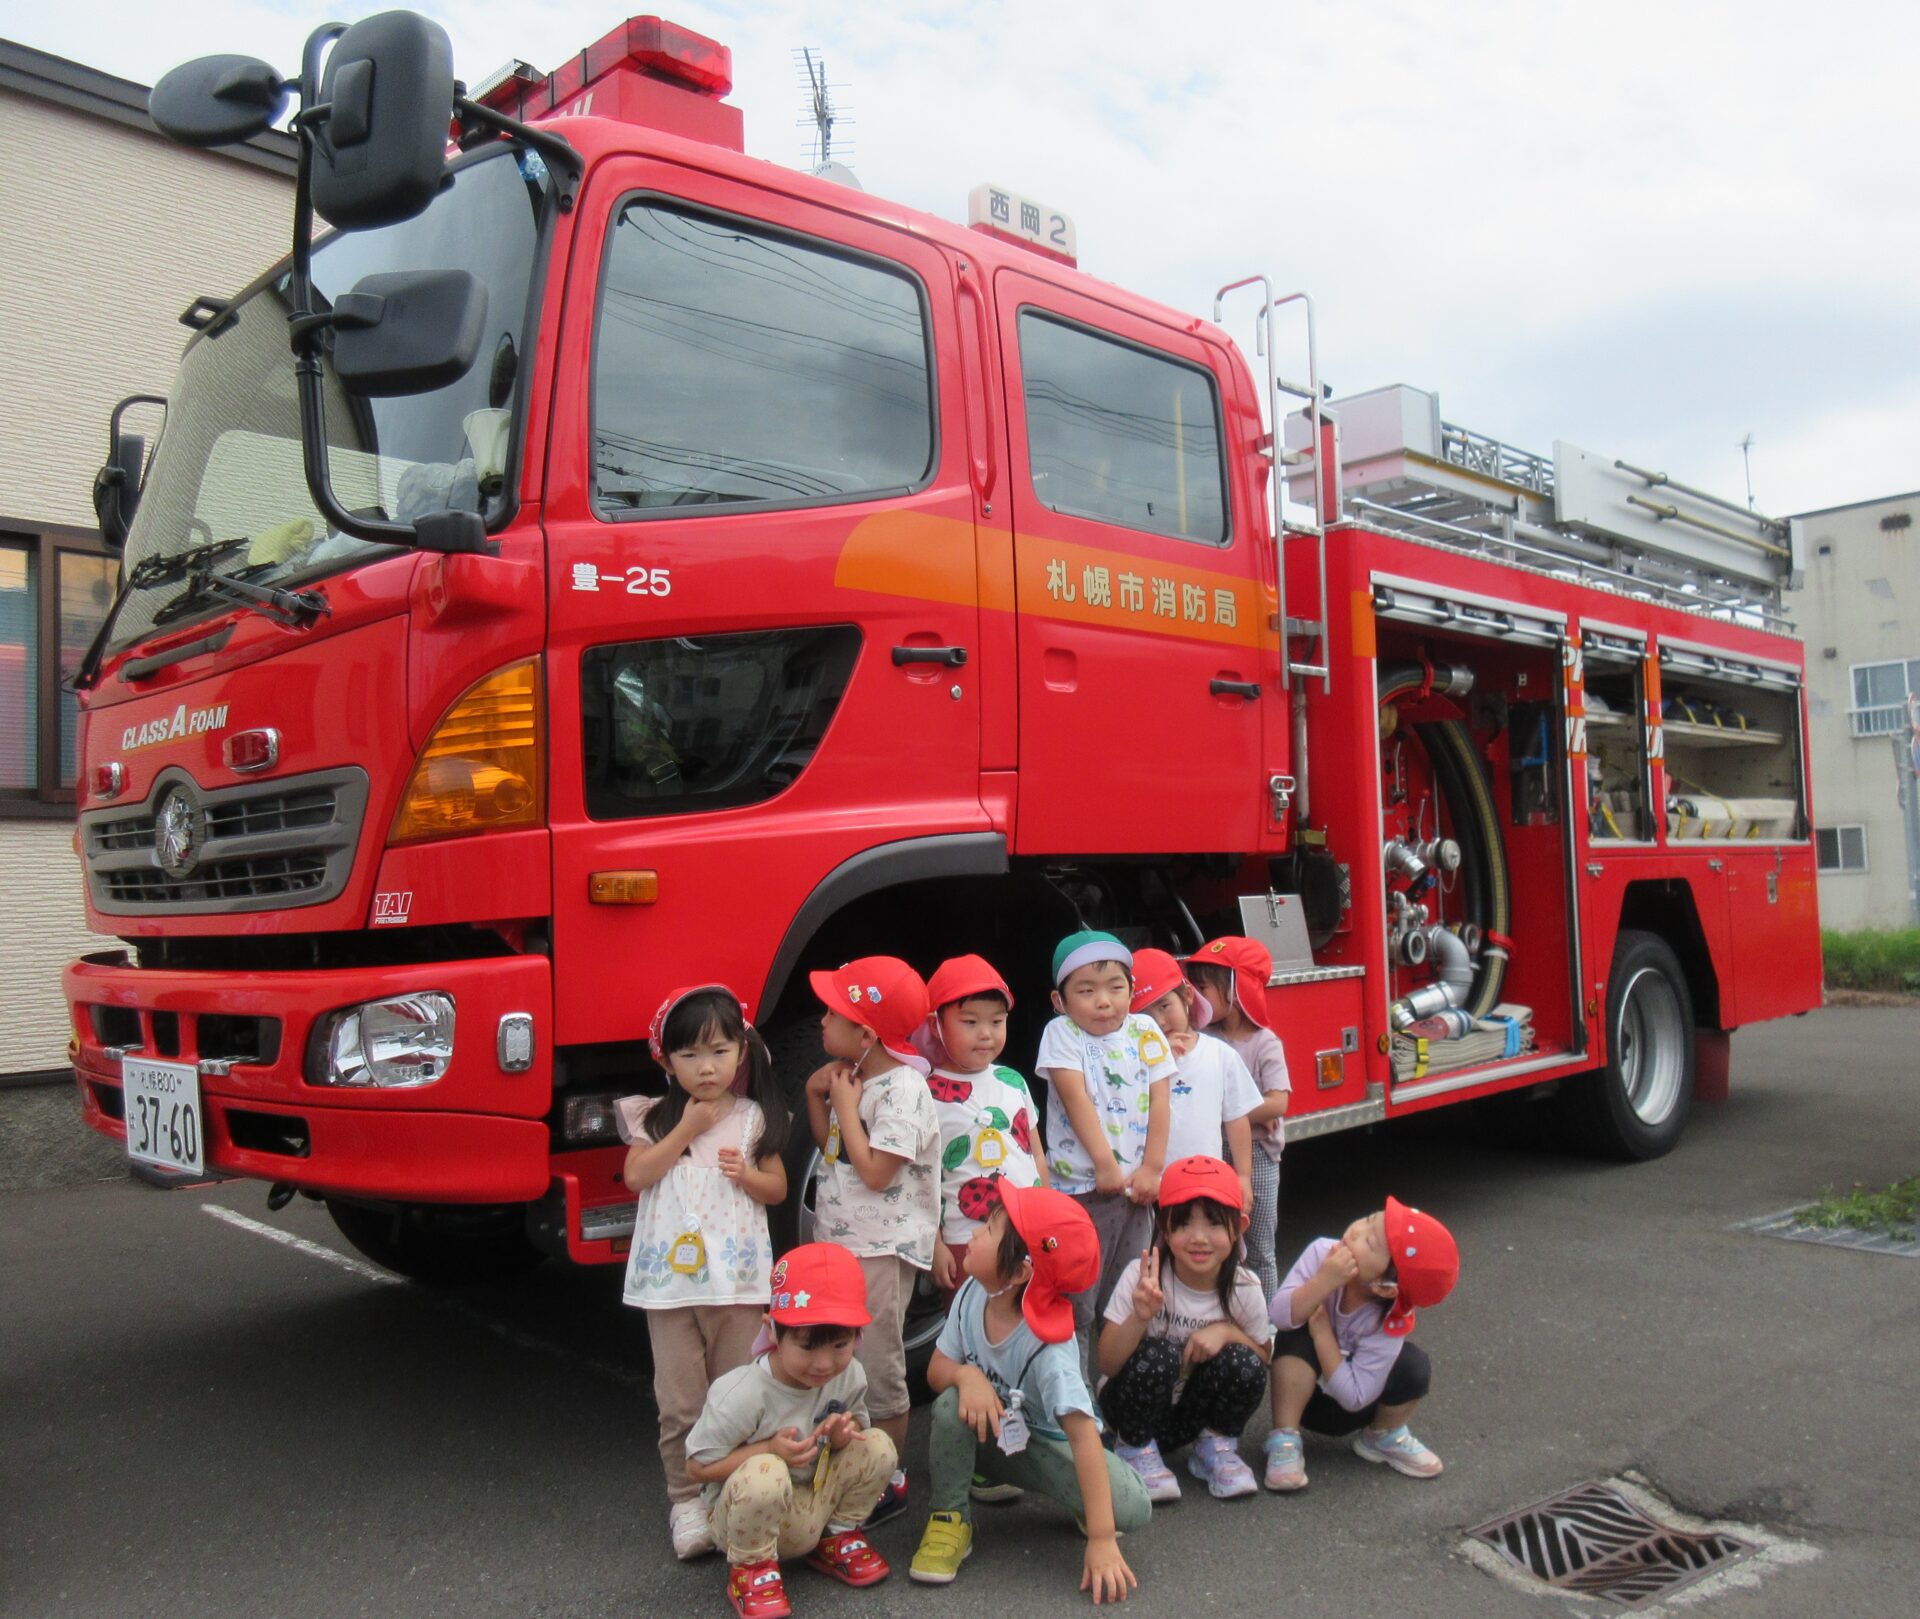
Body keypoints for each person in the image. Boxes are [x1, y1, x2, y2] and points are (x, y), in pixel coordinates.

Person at [910, 1182, 1151, 1603]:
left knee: (1131, 1508)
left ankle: (1070, 1497)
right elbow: (936, 1370)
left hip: (1047, 1446)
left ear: (1021, 1272)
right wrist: (967, 1378)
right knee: (950, 1404)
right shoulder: (971, 1293)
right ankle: (950, 1515)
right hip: (993, 1431)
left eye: (990, 1228)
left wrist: (1100, 1539)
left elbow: (1083, 1438)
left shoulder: (1049, 1348)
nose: (976, 1232)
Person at [618, 985, 791, 1561]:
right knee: (680, 1402)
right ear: (665, 1061)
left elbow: (777, 1189)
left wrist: (747, 1176)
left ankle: (728, 1493)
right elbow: (637, 1176)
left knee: (735, 1396)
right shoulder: (655, 1116)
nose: (707, 1067)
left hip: (736, 1287)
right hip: (669, 1290)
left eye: (719, 1051)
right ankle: (685, 1500)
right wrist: (686, 1131)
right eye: (689, 1055)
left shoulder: (754, 1119)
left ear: (742, 1052)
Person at [686, 1243, 898, 1618]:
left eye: (839, 1344)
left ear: (857, 1337)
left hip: (814, 1499)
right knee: (767, 1471)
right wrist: (767, 1448)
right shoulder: (743, 1393)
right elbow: (698, 1467)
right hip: (746, 1517)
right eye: (807, 1346)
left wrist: (842, 1436)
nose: (823, 1363)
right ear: (773, 1330)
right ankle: (751, 1568)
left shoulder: (849, 1375)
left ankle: (836, 1536)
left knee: (880, 1445)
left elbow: (858, 1429)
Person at [803, 955, 938, 1523]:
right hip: (841, 1243)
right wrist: (822, 1100)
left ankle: (889, 1477)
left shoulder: (904, 1089)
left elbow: (876, 1172)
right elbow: (832, 1150)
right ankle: (847, 1461)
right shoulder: (853, 1077)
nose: (820, 1021)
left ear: (865, 1033)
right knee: (838, 1360)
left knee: (879, 1367)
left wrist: (844, 1108)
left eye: (831, 1012)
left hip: (881, 1252)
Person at [1035, 929, 1176, 1377]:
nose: (1103, 1002)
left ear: (1133, 991)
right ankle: (1076, 1405)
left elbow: (1160, 1099)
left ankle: (1121, 1399)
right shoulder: (1061, 1033)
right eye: (1086, 990)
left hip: (1135, 1191)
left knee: (1127, 1296)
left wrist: (1153, 1167)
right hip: (1080, 1192)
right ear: (1059, 1001)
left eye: (1116, 988)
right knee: (1078, 1303)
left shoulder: (1146, 1029)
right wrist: (1104, 1164)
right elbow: (1074, 1098)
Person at [1097, 1155, 1272, 1502]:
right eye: (1184, 1224)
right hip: (1129, 1410)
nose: (1199, 1238)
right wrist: (1140, 1316)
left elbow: (1264, 1356)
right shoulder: (1143, 1274)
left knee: (1244, 1362)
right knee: (1159, 1354)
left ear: (1239, 1226)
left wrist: (1226, 1333)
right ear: (1164, 1226)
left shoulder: (1244, 1287)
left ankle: (1214, 1446)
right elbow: (1107, 1364)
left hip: (1187, 1416)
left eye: (1213, 1224)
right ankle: (1133, 1449)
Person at [1263, 1198, 1461, 1492]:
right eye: (1368, 1219)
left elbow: (1355, 1396)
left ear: (1383, 1287)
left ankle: (1382, 1435)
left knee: (1413, 1365)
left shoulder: (1389, 1320)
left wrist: (1322, 1334)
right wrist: (1323, 1282)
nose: (1356, 1231)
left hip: (1350, 1407)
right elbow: (1278, 1315)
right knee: (1293, 1333)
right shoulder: (1323, 1253)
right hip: (1301, 1395)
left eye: (1369, 1241)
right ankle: (1285, 1438)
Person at [922, 953, 1049, 1292]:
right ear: (936, 1024)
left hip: (1028, 1229)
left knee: (1029, 1317)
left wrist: (1047, 1212)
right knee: (969, 1324)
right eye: (970, 1022)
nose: (986, 1035)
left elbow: (1036, 1155)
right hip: (967, 1236)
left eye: (996, 1022)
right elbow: (922, 1176)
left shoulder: (1013, 1080)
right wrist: (935, 1244)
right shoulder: (925, 1094)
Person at [1184, 936, 1291, 1298]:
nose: (1195, 996)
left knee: (1259, 1247)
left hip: (1258, 1156)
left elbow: (1278, 1103)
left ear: (1235, 989)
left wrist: (1229, 1107)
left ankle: (1267, 1327)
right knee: (1221, 1244)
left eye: (1203, 987)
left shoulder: (1264, 1042)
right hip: (1215, 1152)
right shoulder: (1202, 1037)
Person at [1129, 949, 1258, 1211]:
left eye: (1165, 1006)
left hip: (1206, 1182)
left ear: (1187, 995)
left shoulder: (1220, 1054)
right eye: (1144, 1017)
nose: (1159, 1022)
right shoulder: (1130, 1061)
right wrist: (1158, 1054)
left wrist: (1243, 1176)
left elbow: (1236, 1118)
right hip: (1147, 1188)